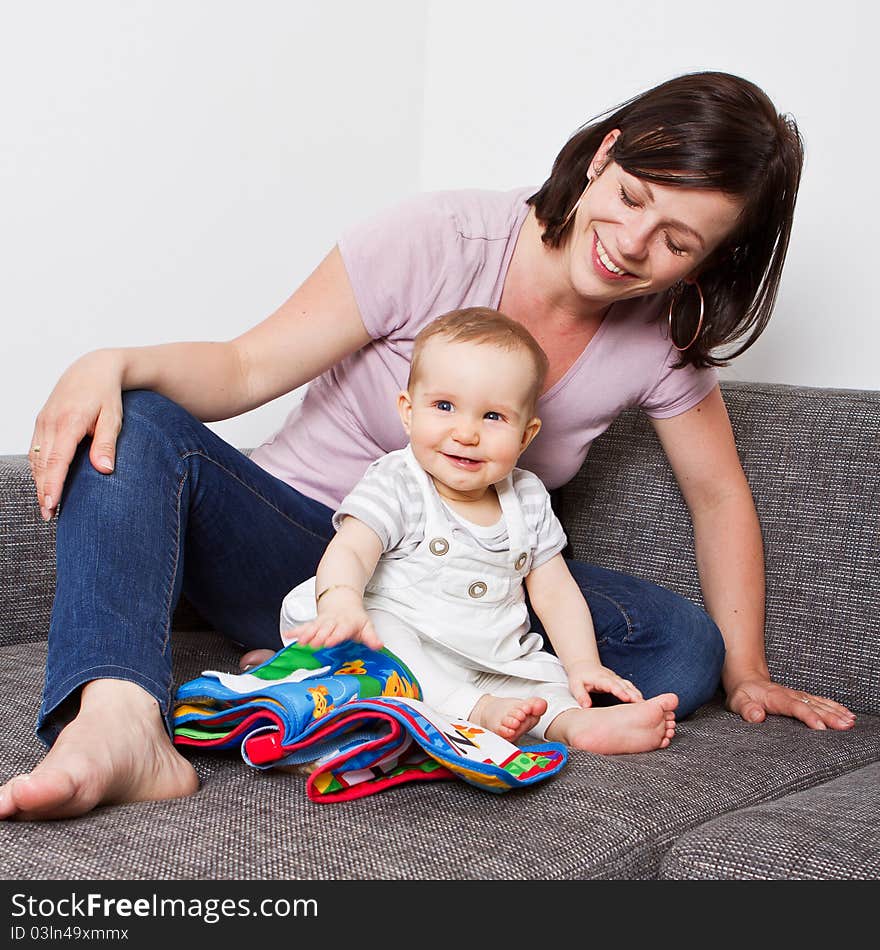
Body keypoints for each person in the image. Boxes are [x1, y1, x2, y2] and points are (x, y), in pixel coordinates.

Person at [1, 70, 855, 822]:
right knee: (138, 417)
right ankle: (118, 722)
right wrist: (110, 362)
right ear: (604, 154)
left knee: (682, 647)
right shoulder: (440, 237)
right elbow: (245, 364)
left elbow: (718, 495)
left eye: (677, 242)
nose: (633, 244)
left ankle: (397, 693)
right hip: (305, 546)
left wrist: (747, 669)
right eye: (634, 197)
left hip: (449, 594)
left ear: (708, 262)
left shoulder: (658, 337)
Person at [273, 307, 678, 751]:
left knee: (543, 677)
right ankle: (471, 709)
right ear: (408, 412)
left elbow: (555, 591)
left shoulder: (527, 497)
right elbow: (351, 548)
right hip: (404, 641)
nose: (466, 433)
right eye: (444, 406)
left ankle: (573, 725)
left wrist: (583, 664)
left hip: (493, 654)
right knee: (380, 637)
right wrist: (342, 602)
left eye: (493, 417)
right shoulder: (398, 480)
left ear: (526, 435)